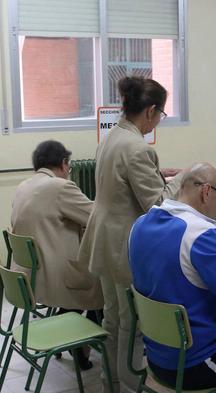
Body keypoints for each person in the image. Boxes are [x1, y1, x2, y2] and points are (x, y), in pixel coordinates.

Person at [78, 76, 183, 392]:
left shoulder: (114, 137)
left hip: (104, 239)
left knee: (112, 318)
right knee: (131, 323)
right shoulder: (137, 147)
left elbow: (121, 182)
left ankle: (110, 380)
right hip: (124, 244)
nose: (159, 121)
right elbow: (157, 204)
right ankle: (129, 383)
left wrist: (157, 174)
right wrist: (184, 179)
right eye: (161, 114)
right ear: (150, 111)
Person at [128, 163, 216, 391]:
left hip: (158, 356)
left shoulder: (140, 225)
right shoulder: (201, 234)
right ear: (206, 191)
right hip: (199, 363)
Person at [11, 140, 102, 370]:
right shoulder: (60, 187)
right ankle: (82, 344)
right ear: (63, 163)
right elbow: (96, 217)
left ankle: (72, 331)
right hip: (55, 279)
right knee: (108, 285)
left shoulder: (24, 186)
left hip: (29, 278)